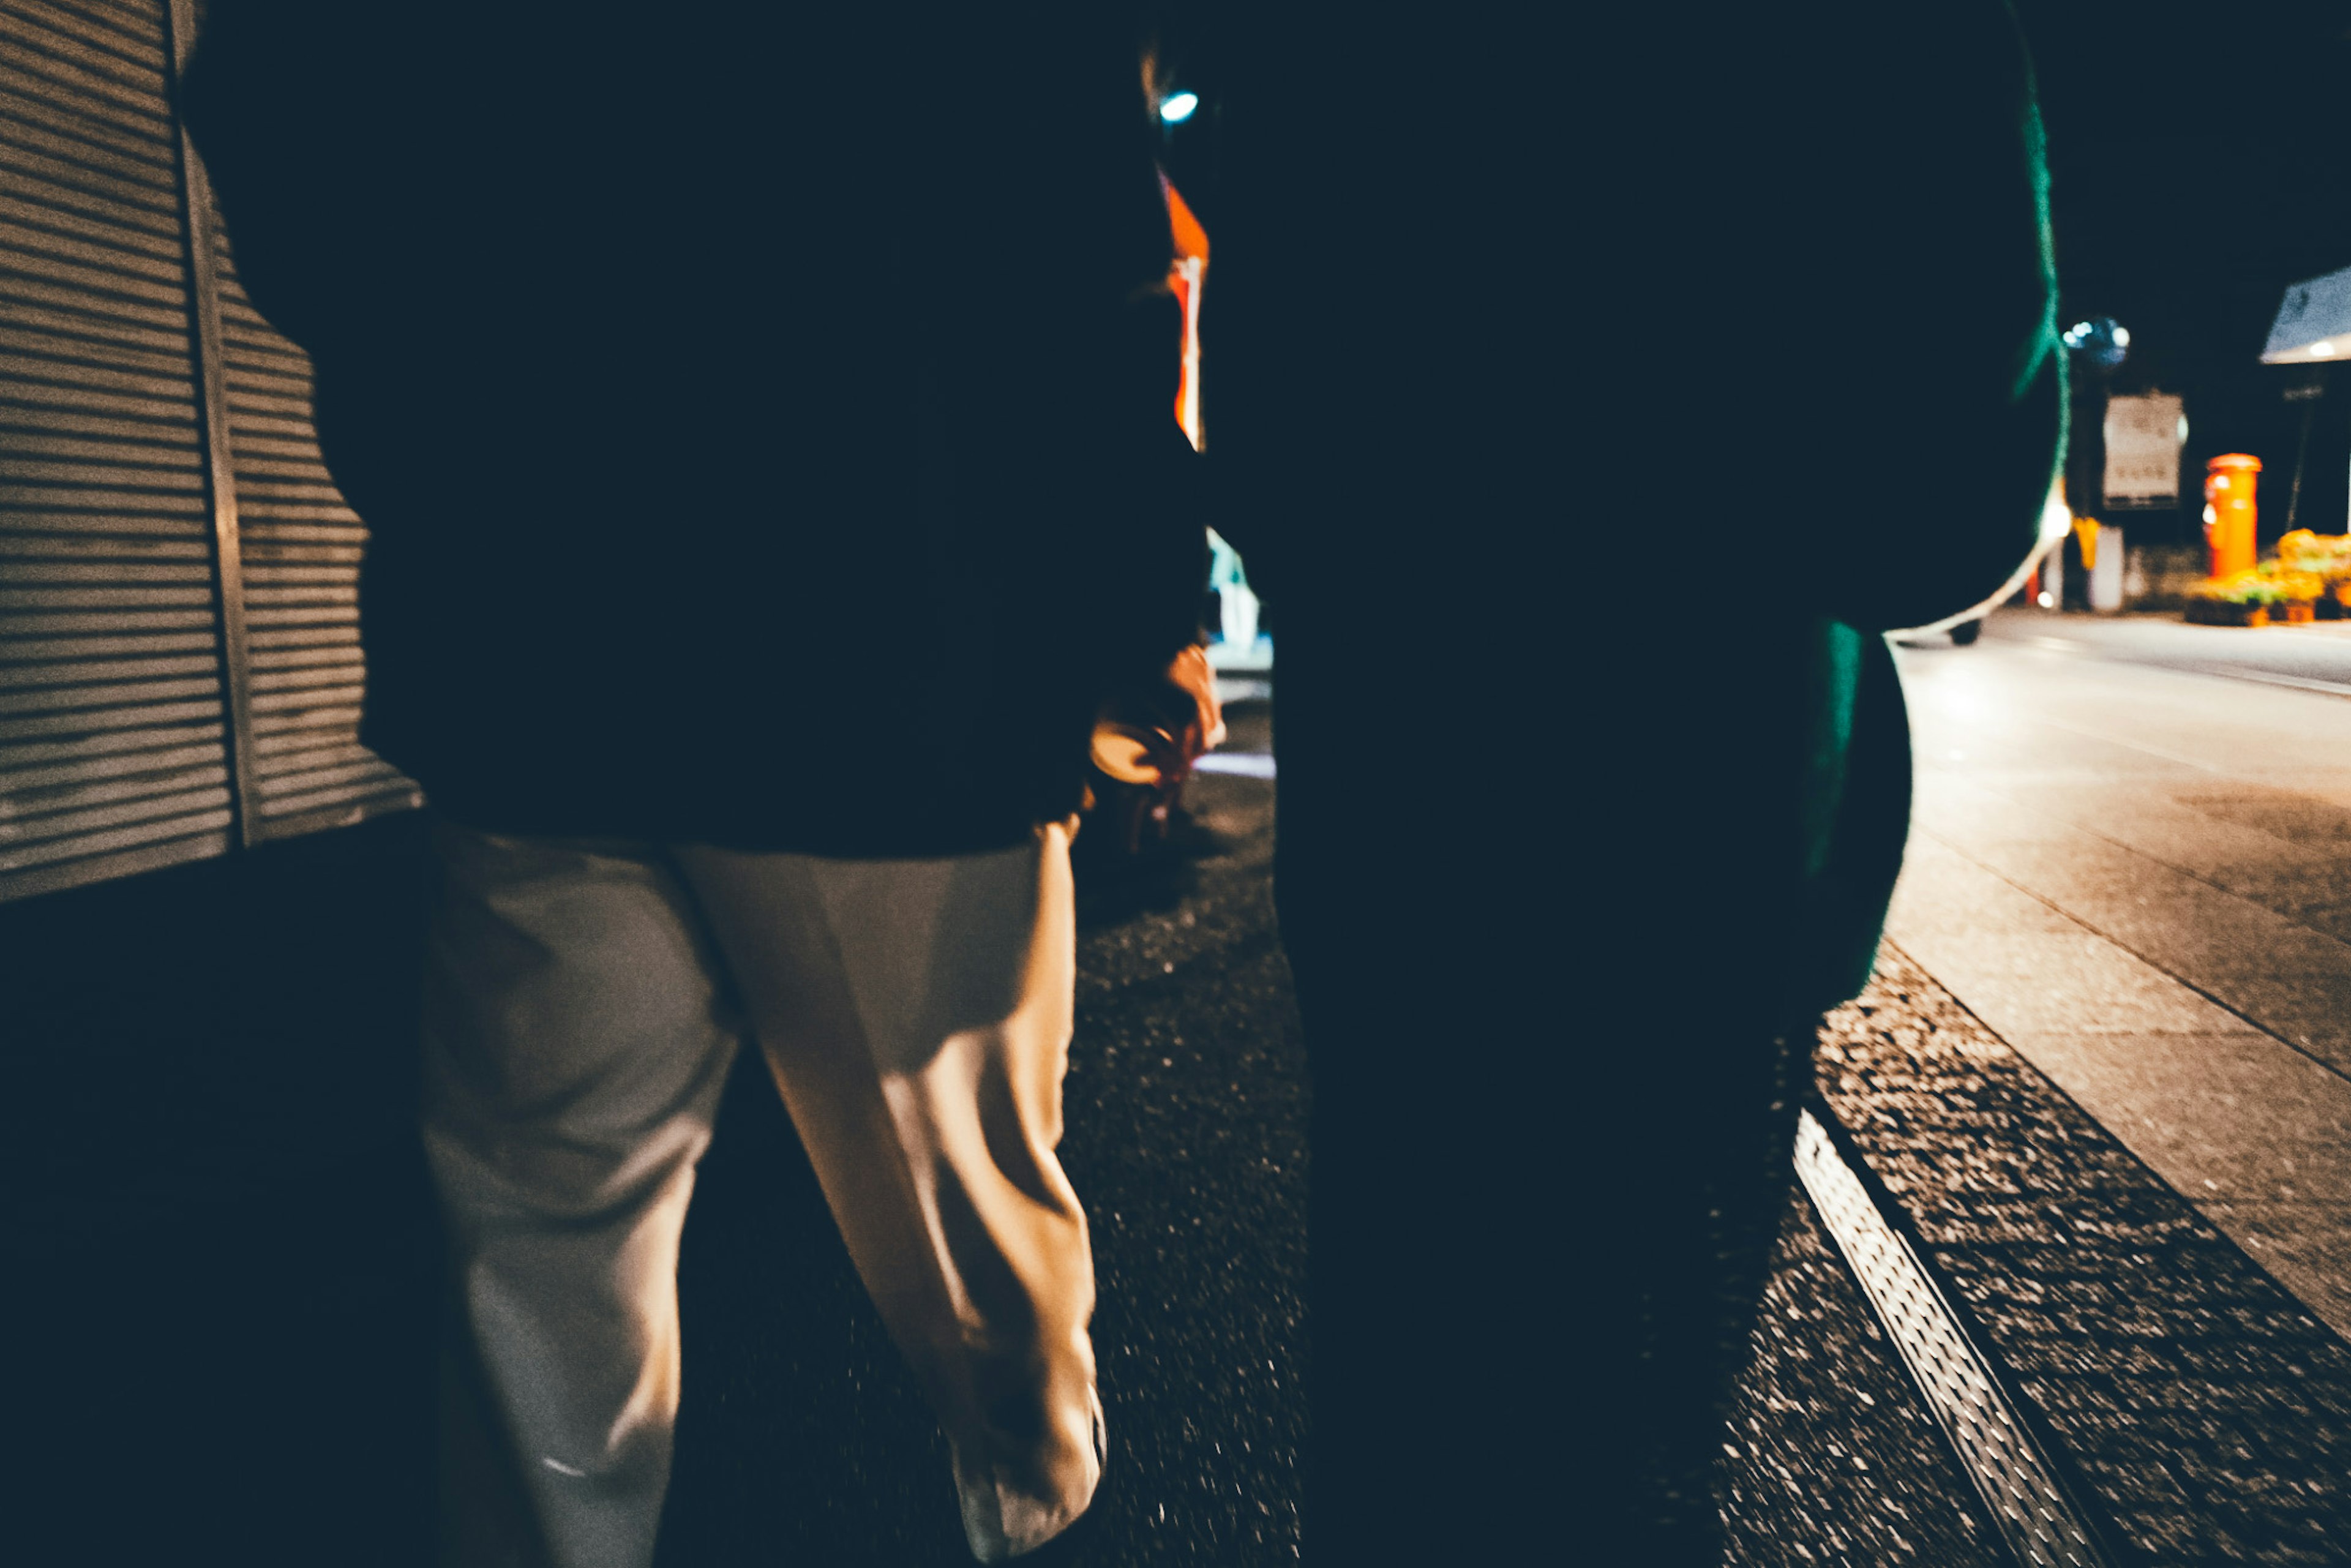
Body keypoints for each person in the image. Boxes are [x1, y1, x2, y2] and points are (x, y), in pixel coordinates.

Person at [181, 6, 1215, 1564]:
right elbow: (1072, 209)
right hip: (887, 620)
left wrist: (430, 395)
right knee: (972, 1236)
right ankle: (1038, 1522)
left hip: (529, 619)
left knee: (543, 1246)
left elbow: (274, 104)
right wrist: (1141, 605)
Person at [1177, 1, 2064, 1558]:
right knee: (1620, 1442)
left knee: (1407, 1397)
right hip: (1707, 794)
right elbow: (1942, 488)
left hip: (1411, 785)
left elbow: (1260, 423)